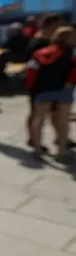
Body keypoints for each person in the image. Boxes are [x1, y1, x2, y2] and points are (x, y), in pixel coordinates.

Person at [25, 26, 76, 162]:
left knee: (39, 119)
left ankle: (37, 150)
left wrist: (32, 87)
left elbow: (31, 71)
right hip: (65, 89)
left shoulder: (40, 53)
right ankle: (61, 152)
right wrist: (70, 82)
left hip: (43, 89)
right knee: (63, 121)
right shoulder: (72, 52)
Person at [25, 14, 63, 151]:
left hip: (54, 84)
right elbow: (32, 66)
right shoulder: (37, 42)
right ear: (52, 24)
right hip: (38, 84)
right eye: (59, 25)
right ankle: (32, 139)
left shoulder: (54, 42)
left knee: (56, 112)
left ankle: (60, 137)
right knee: (36, 113)